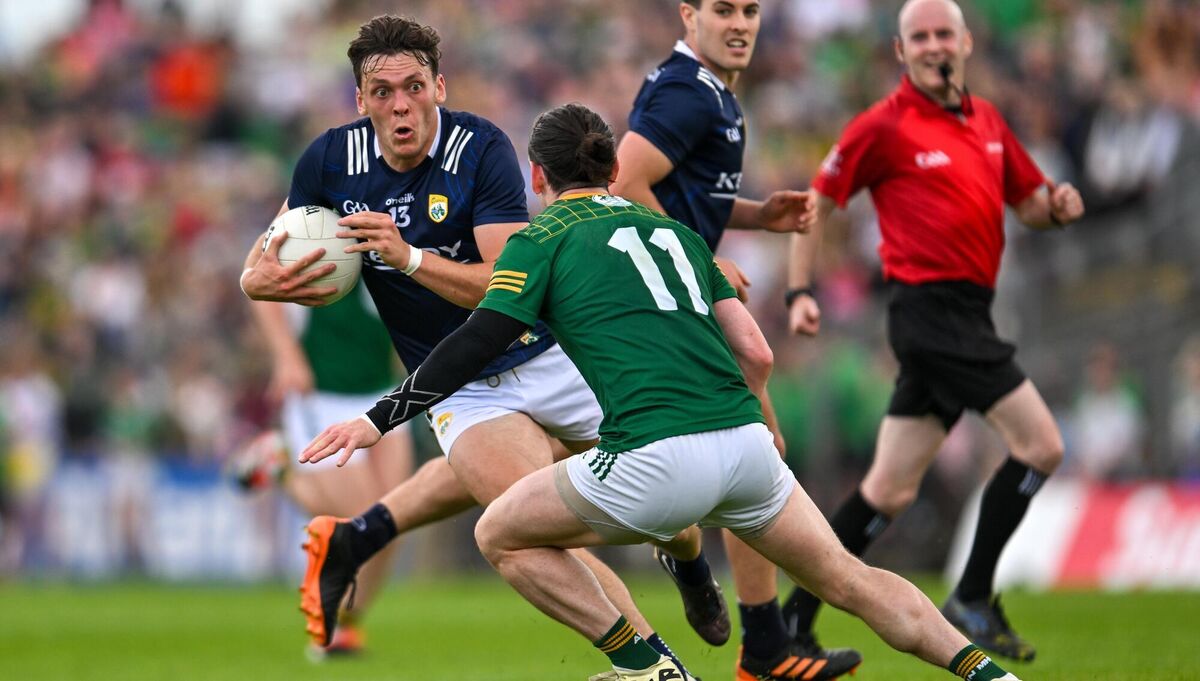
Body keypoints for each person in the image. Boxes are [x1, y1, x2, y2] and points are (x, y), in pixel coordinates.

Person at [299, 102, 1022, 681]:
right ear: (615, 168)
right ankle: (986, 673)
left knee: (500, 530)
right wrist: (763, 422)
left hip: (657, 458)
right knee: (851, 580)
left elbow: (477, 341)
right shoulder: (674, 232)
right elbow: (755, 349)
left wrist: (378, 419)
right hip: (744, 448)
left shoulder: (539, 239)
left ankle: (647, 665)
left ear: (536, 178)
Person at [238, 15, 691, 673]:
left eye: (414, 86)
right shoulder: (328, 162)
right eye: (383, 91)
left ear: (439, 86)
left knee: (678, 510)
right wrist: (257, 279)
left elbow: (501, 291)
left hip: (550, 355)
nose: (401, 104)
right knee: (534, 521)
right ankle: (651, 663)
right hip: (461, 387)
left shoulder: (479, 148)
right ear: (361, 101)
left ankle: (691, 564)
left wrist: (409, 257)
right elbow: (270, 246)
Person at [784, 0, 1085, 663]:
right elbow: (817, 203)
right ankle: (972, 594)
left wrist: (1056, 207)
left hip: (967, 314)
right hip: (929, 313)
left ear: (966, 41)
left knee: (887, 489)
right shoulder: (883, 126)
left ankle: (793, 621)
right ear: (899, 52)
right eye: (917, 36)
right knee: (1041, 446)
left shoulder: (987, 121)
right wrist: (801, 290)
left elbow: (1029, 202)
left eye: (941, 33)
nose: (931, 45)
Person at [610, 1, 861, 678]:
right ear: (690, 15)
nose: (741, 22)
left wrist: (753, 215)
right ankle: (747, 624)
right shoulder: (690, 92)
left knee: (759, 455)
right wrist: (701, 255)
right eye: (723, 9)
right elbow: (624, 179)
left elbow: (679, 190)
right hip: (667, 306)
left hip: (673, 301)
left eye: (751, 9)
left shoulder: (711, 91)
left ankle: (761, 639)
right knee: (753, 457)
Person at [231, 282, 413, 658]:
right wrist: (286, 355)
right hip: (322, 393)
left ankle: (343, 627)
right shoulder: (310, 223)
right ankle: (282, 467)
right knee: (363, 516)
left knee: (393, 520)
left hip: (384, 393)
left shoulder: (393, 224)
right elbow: (258, 281)